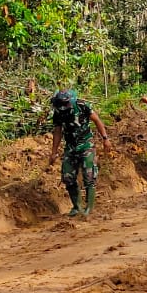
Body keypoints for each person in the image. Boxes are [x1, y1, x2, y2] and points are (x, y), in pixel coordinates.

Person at [47, 88, 110, 216]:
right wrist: (54, 152)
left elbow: (97, 120)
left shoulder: (82, 106)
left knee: (89, 176)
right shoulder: (58, 112)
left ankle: (89, 208)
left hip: (86, 145)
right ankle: (77, 206)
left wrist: (105, 138)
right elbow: (57, 132)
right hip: (70, 147)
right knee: (68, 176)